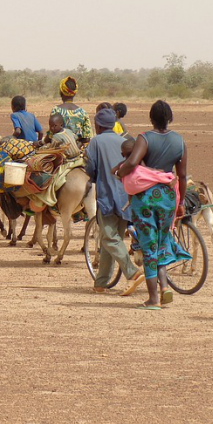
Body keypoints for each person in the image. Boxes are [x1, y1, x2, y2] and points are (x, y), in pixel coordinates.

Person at [115, 100, 190, 309]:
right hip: (167, 197)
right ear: (170, 118)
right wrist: (181, 202)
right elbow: (182, 176)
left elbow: (131, 162)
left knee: (149, 246)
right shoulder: (180, 141)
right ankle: (164, 287)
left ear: (151, 118)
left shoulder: (145, 138)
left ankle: (153, 299)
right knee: (162, 242)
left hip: (145, 198)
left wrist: (119, 173)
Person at [85, 108, 145, 296]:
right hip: (126, 196)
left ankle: (132, 273)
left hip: (107, 196)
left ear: (98, 125)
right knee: (111, 240)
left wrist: (95, 178)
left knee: (109, 239)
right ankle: (101, 283)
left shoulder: (95, 142)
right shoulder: (123, 141)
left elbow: (90, 167)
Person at [49, 77, 93, 147]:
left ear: (61, 92)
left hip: (59, 152)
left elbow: (51, 135)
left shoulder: (56, 110)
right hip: (78, 152)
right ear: (74, 93)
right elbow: (87, 138)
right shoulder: (82, 112)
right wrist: (75, 147)